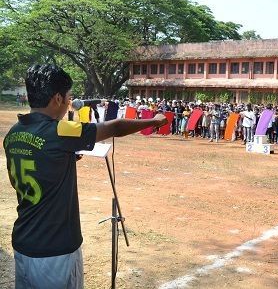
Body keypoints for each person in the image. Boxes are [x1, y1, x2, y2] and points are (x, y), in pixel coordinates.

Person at [3, 64, 168, 289]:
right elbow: (115, 127)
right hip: (55, 248)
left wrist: (62, 159)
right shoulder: (60, 131)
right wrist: (155, 121)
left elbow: (29, 171)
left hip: (23, 242)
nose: (69, 104)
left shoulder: (14, 133)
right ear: (57, 98)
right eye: (69, 98)